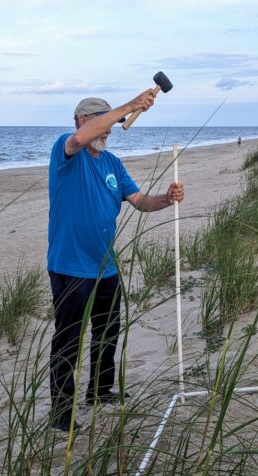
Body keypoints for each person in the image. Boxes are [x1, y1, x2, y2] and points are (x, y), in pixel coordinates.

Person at [47, 92, 185, 433]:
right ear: (83, 120)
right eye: (103, 121)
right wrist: (129, 108)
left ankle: (99, 392)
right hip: (70, 267)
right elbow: (80, 139)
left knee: (107, 333)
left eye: (111, 122)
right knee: (69, 338)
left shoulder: (113, 164)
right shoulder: (67, 150)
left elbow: (139, 201)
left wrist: (167, 199)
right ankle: (62, 412)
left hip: (105, 266)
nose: (110, 129)